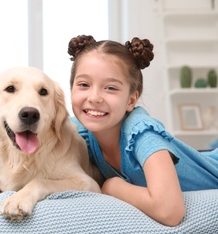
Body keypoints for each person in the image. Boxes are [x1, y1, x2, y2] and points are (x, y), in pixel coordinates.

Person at [67, 35, 218, 227]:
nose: (94, 97)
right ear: (71, 89)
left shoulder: (142, 133)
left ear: (131, 100)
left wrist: (113, 186)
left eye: (111, 88)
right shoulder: (81, 132)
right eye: (83, 85)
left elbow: (170, 211)